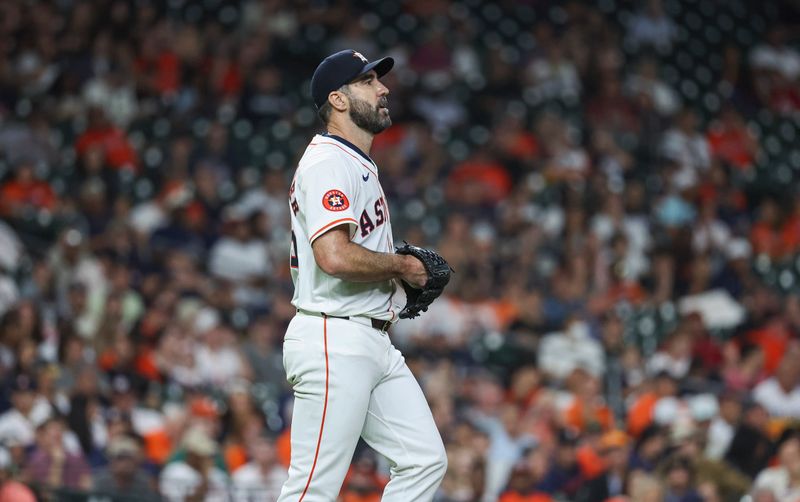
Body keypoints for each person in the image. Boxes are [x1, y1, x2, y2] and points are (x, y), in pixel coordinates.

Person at [278, 49, 448, 501]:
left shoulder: (354, 162)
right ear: (337, 99)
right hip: (334, 335)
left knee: (423, 461)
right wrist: (400, 265)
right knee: (312, 490)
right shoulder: (329, 162)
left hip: (371, 338)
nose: (383, 88)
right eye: (368, 81)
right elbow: (333, 256)